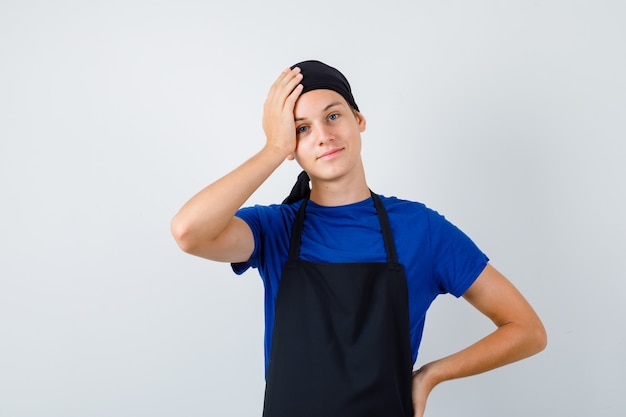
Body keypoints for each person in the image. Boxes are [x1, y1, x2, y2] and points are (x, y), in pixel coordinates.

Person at [171, 60, 547, 417]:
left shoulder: (421, 230)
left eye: (333, 115)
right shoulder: (275, 230)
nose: (323, 136)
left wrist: (431, 374)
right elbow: (189, 232)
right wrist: (272, 149)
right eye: (302, 128)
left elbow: (527, 330)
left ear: (359, 120)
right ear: (290, 145)